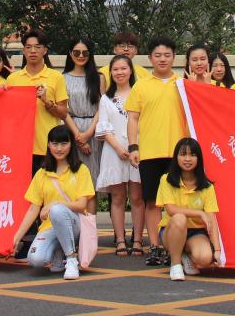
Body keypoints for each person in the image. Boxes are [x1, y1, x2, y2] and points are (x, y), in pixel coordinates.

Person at [126, 36, 189, 267]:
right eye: (158, 55)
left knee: (177, 203)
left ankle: (174, 246)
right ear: (150, 58)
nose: (162, 59)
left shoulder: (183, 84)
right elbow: (133, 118)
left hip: (179, 154)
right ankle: (155, 246)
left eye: (167, 55)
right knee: (152, 201)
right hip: (150, 153)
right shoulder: (141, 85)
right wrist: (133, 146)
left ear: (174, 57)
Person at [10, 125, 95, 280]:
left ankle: (71, 259)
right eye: (55, 144)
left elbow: (81, 205)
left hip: (75, 225)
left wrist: (53, 204)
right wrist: (17, 236)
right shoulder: (42, 173)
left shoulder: (81, 170)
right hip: (50, 227)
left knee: (57, 210)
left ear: (71, 145)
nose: (59, 148)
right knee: (35, 259)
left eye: (64, 143)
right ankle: (59, 251)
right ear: (48, 145)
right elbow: (33, 209)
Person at [95, 54, 145, 256]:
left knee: (137, 197)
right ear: (110, 73)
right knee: (117, 197)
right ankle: (120, 239)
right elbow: (103, 127)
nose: (119, 72)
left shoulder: (140, 93)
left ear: (131, 70)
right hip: (113, 151)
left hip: (137, 151)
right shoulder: (106, 99)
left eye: (123, 68)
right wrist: (118, 148)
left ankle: (138, 239)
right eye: (115, 69)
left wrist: (133, 147)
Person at [157, 137, 221, 282]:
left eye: (192, 155)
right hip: (171, 230)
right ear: (176, 157)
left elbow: (211, 219)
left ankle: (185, 254)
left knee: (205, 258)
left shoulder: (207, 186)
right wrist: (199, 213)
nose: (187, 159)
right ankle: (175, 264)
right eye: (183, 154)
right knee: (179, 218)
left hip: (195, 233)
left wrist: (217, 250)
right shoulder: (166, 179)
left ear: (199, 159)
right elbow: (171, 210)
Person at [6, 29, 69, 172]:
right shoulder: (12, 79)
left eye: (37, 47)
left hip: (47, 147)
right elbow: (7, 115)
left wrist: (47, 101)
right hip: (19, 147)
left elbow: (63, 113)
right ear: (23, 51)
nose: (33, 51)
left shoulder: (56, 77)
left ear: (45, 50)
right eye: (28, 47)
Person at [63, 37, 101, 200]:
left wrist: (88, 133)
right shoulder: (62, 78)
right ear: (70, 53)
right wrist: (79, 137)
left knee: (92, 181)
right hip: (71, 129)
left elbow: (102, 108)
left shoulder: (98, 77)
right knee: (72, 179)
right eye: (76, 52)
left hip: (94, 130)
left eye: (85, 53)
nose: (80, 56)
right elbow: (63, 111)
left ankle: (90, 217)